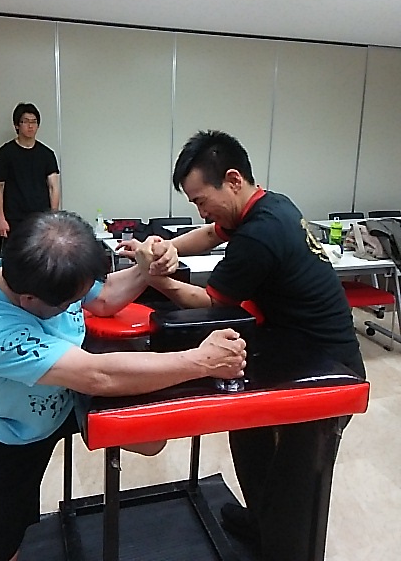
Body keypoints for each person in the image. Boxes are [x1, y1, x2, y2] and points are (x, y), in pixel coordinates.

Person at [121, 130, 366, 561]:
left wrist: (152, 276)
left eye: (201, 200)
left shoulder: (260, 233)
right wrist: (163, 248)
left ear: (233, 180)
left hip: (326, 363)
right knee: (248, 432)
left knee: (295, 482)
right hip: (285, 346)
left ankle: (284, 547)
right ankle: (260, 522)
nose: (200, 210)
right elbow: (209, 234)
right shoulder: (266, 204)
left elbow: (211, 302)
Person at [0, 209, 246, 561]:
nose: (77, 306)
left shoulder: (42, 270)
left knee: (151, 438)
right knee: (0, 545)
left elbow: (104, 297)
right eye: (69, 305)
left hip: (68, 396)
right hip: (16, 429)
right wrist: (201, 361)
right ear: (29, 301)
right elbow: (97, 374)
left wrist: (146, 267)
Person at [0, 102, 60, 256]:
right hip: (13, 218)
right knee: (10, 258)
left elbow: (54, 186)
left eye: (34, 122)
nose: (30, 126)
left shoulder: (47, 154)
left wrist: (53, 216)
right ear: (17, 125)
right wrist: (0, 218)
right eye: (26, 121)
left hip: (41, 218)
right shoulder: (4, 154)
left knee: (41, 258)